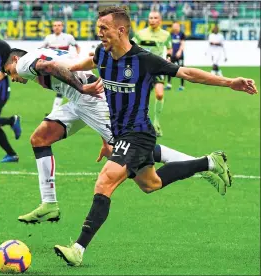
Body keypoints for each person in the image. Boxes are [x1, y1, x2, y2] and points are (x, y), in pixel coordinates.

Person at [51, 6, 256, 267]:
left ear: (121, 30)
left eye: (104, 28)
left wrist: (229, 82)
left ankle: (78, 248)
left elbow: (187, 73)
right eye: (98, 27)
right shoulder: (102, 54)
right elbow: (80, 64)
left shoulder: (144, 60)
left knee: (104, 182)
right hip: (121, 134)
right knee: (151, 184)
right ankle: (210, 162)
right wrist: (57, 66)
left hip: (138, 134)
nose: (99, 32)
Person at [3, 48, 226, 225]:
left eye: (8, 71)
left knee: (143, 171)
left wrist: (81, 89)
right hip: (80, 102)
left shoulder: (23, 64)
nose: (11, 77)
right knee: (39, 139)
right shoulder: (39, 51)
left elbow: (50, 67)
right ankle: (49, 204)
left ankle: (205, 163)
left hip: (88, 97)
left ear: (14, 59)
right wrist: (103, 137)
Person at [132, 11, 172, 137]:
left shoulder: (166, 35)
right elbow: (131, 46)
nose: (152, 20)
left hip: (158, 67)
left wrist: (169, 57)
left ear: (160, 20)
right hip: (143, 68)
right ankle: (142, 123)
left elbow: (169, 48)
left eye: (155, 18)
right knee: (142, 97)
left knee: (159, 94)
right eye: (150, 18)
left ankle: (156, 122)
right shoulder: (140, 34)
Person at [41, 20, 81, 113]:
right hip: (53, 67)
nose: (57, 27)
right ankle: (59, 110)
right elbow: (41, 49)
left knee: (62, 87)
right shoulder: (49, 38)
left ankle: (54, 111)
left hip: (65, 65)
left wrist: (76, 56)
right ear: (52, 27)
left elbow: (77, 47)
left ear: (62, 27)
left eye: (59, 25)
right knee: (62, 87)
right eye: (55, 25)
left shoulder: (68, 37)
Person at [0, 38, 21, 163]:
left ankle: (11, 120)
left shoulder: (2, 46)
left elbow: (14, 62)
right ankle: (11, 154)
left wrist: (2, 73)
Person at [165, 21, 185, 91]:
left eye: (176, 26)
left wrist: (179, 51)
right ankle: (169, 84)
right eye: (173, 26)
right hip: (172, 55)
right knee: (169, 69)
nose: (174, 27)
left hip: (180, 55)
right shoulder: (171, 34)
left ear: (178, 26)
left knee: (182, 70)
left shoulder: (182, 34)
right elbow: (169, 45)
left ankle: (182, 86)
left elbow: (182, 44)